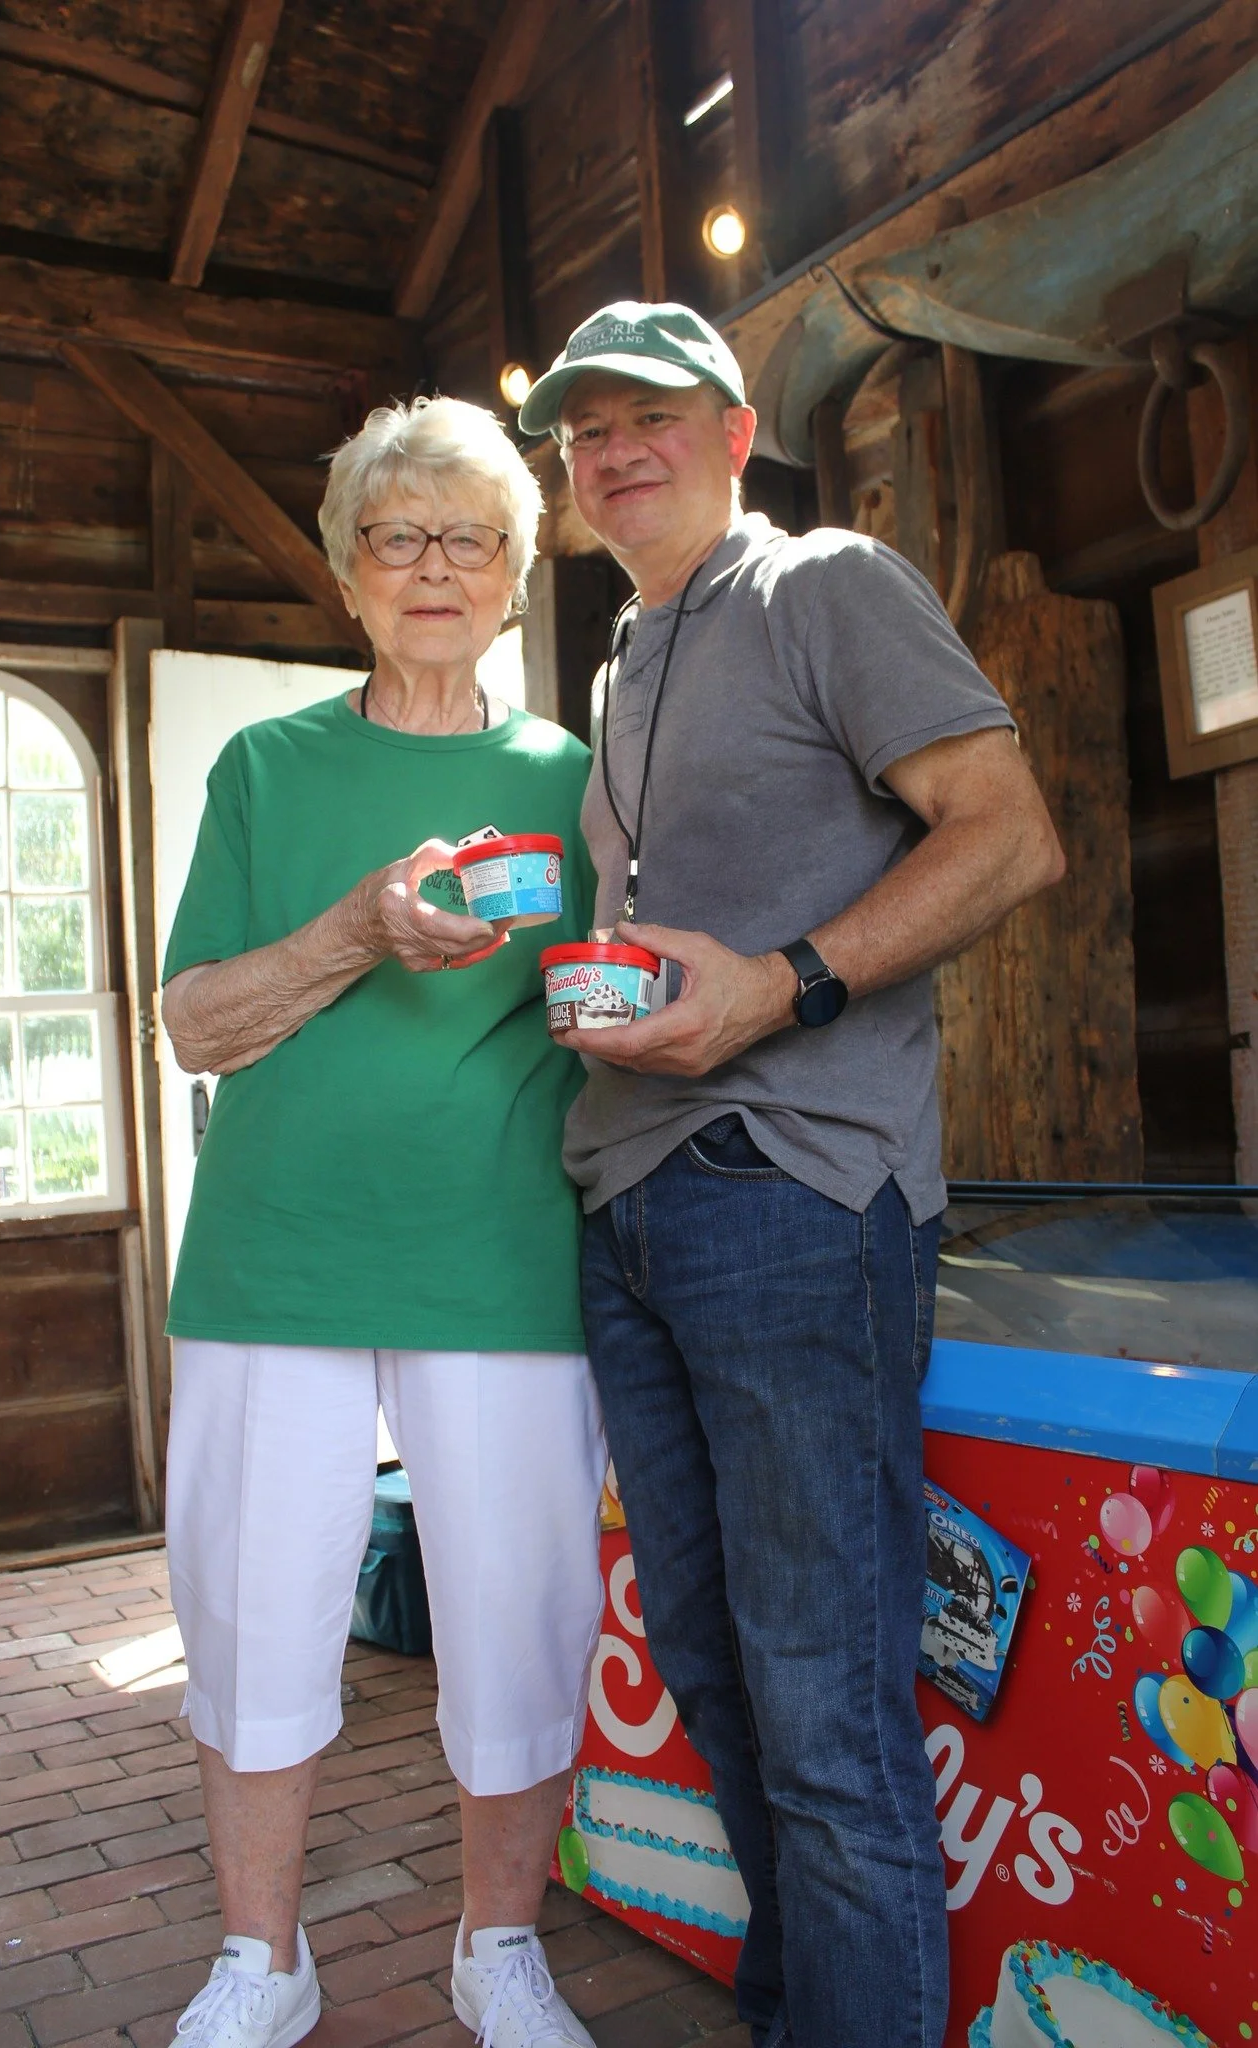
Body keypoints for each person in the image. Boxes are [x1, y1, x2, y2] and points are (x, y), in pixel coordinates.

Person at [516, 304, 1065, 2048]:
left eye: (647, 416)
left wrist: (786, 986)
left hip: (791, 1190)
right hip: (627, 1205)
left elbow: (1011, 832)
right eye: (581, 430)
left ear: (738, 430)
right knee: (721, 1686)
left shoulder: (827, 582)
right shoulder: (616, 660)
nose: (611, 451)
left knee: (825, 1716)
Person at [159, 396, 605, 2048]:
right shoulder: (269, 767)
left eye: (470, 538)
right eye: (397, 537)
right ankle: (260, 1962)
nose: (434, 567)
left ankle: (500, 1949)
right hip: (276, 1253)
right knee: (253, 1601)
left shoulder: (573, 776)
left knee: (524, 1603)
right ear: (349, 573)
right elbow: (197, 1022)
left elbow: (603, 1005)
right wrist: (355, 928)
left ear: (513, 574)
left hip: (500, 1256)